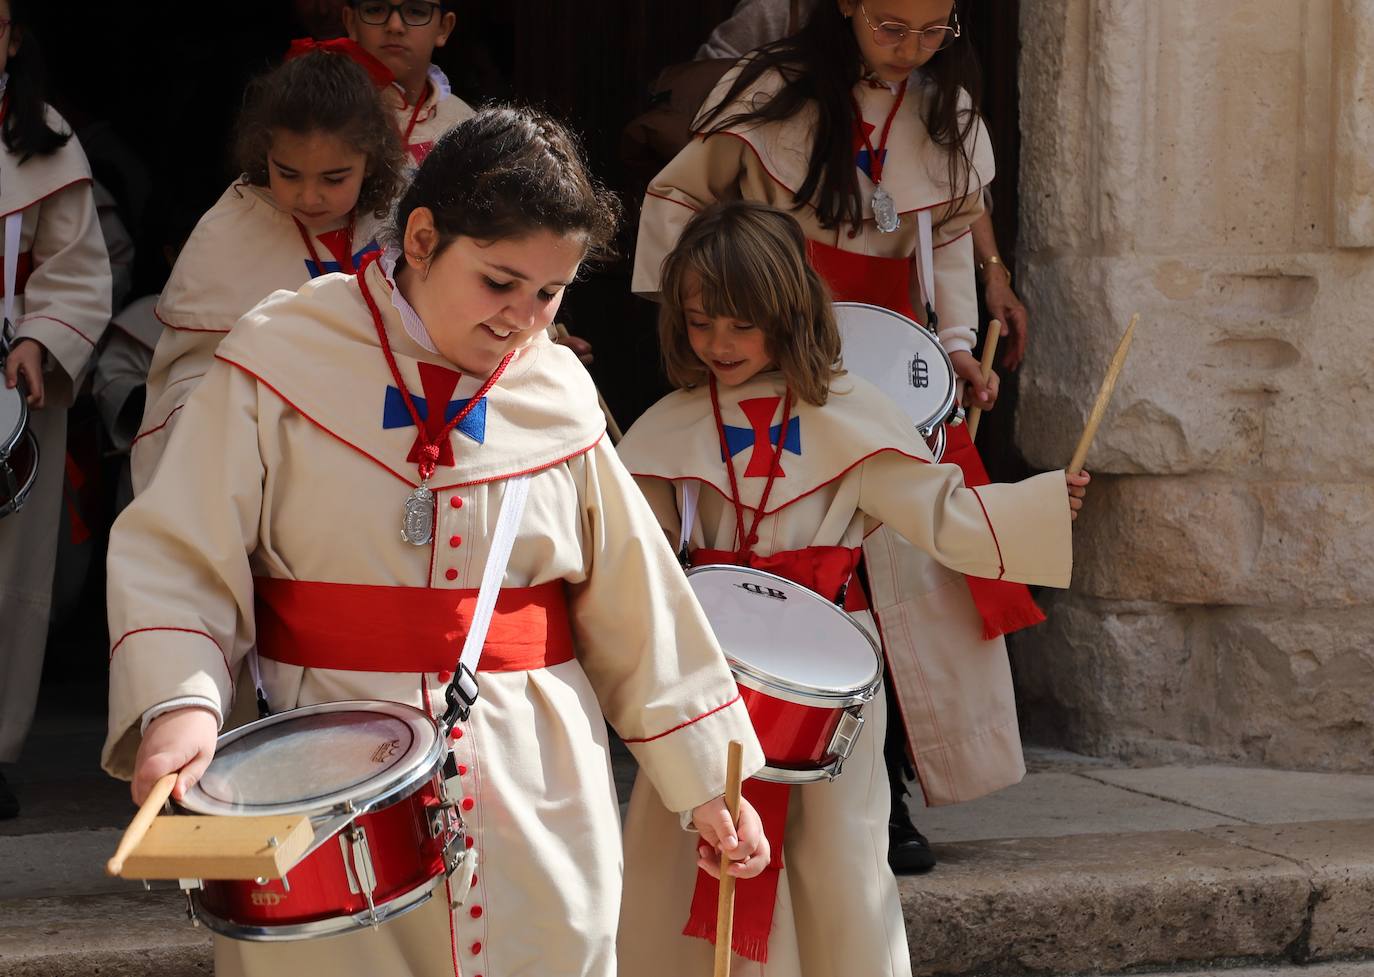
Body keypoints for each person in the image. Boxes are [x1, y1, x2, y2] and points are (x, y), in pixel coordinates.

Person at [102, 107, 768, 977]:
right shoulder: (279, 356)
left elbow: (640, 606)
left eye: (550, 293)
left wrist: (708, 788)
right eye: (499, 282)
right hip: (322, 783)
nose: (524, 319)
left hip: (535, 785)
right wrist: (179, 706)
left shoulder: (559, 393)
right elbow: (179, 550)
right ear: (421, 237)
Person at [618, 199, 1086, 976]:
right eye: (701, 323)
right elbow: (631, 550)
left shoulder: (854, 417)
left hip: (831, 677)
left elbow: (942, 514)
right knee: (688, 848)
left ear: (788, 312)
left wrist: (1041, 504)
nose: (719, 344)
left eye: (740, 323)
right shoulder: (668, 426)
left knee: (836, 855)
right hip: (711, 678)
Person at [632, 0, 1038, 873]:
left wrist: (956, 350)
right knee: (779, 575)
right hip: (773, 350)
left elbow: (954, 239)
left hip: (889, 370)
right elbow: (678, 194)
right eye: (892, 27)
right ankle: (729, 779)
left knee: (894, 593)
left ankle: (881, 797)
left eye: (935, 33)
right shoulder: (770, 93)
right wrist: (704, 327)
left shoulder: (946, 111)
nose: (912, 50)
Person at [129, 46, 403, 491]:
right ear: (264, 153)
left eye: (334, 179)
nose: (309, 197)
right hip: (266, 465)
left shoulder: (399, 222)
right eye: (288, 173)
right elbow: (186, 386)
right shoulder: (229, 230)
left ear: (370, 161)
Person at [0, 0, 112, 819]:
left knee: (12, 581)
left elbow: (74, 268)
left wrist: (41, 338)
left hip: (8, 386)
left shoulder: (42, 136)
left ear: (12, 38)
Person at [342, 0, 474, 167]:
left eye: (416, 11)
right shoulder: (322, 115)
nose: (395, 25)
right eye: (375, 9)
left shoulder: (464, 124)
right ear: (351, 22)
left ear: (443, 28)